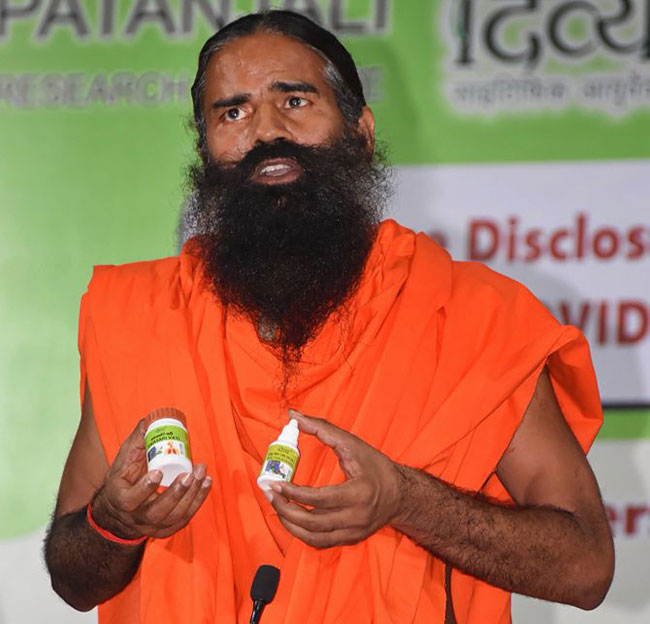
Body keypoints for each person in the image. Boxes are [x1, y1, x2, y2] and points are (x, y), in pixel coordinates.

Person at [44, 10, 614, 624]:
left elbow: (585, 567)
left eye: (295, 100)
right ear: (206, 152)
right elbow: (74, 581)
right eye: (232, 113)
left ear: (361, 132)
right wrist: (114, 521)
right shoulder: (144, 318)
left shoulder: (473, 315)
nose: (266, 130)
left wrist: (406, 501)